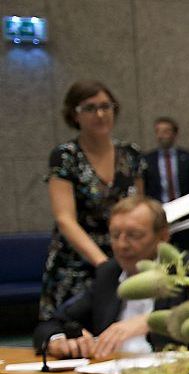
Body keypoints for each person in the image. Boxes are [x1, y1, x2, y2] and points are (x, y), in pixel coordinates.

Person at [40, 80, 146, 321]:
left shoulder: (131, 154)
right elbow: (65, 219)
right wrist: (104, 264)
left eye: (105, 106)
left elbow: (139, 209)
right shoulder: (65, 156)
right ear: (74, 115)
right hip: (78, 263)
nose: (100, 114)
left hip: (124, 256)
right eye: (89, 108)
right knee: (72, 336)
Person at [34, 196, 182, 359]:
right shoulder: (109, 274)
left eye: (134, 235)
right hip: (109, 372)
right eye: (115, 235)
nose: (122, 245)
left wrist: (151, 322)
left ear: (163, 236)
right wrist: (59, 341)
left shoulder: (187, 271)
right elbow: (50, 325)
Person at [141, 116, 189, 252]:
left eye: (166, 131)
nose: (161, 136)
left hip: (187, 216)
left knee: (188, 255)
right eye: (158, 131)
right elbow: (144, 190)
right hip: (160, 216)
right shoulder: (147, 160)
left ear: (175, 134)